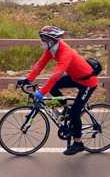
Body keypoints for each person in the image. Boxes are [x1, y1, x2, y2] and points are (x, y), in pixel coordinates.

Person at [17, 26, 98, 156]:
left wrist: (42, 92)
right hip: (75, 77)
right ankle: (66, 106)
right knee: (53, 88)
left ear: (52, 41)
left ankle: (78, 143)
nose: (41, 42)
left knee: (75, 112)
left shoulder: (66, 52)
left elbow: (56, 75)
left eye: (43, 39)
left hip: (88, 82)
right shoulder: (52, 49)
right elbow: (40, 64)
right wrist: (28, 79)